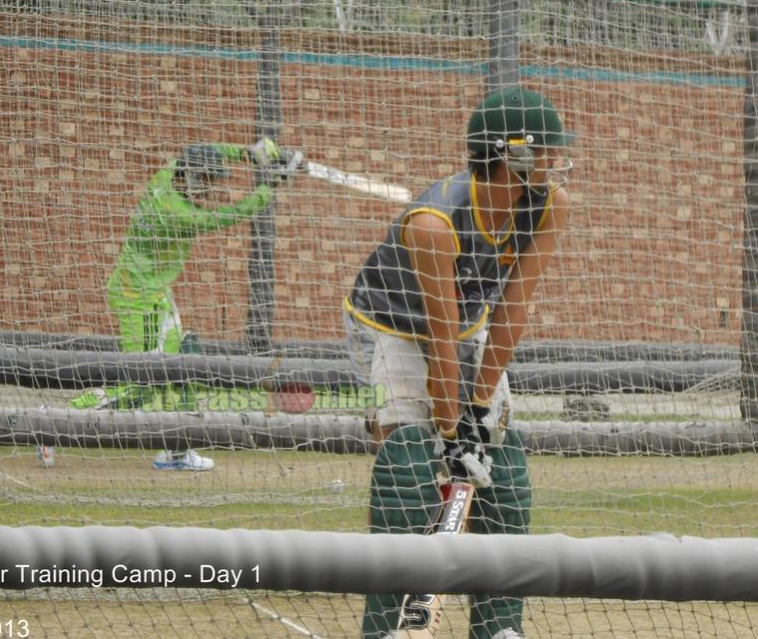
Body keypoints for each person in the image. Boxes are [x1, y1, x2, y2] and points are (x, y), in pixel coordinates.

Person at [344, 87, 574, 638]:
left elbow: (512, 312)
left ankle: (500, 626)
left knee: (503, 462)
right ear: (509, 154)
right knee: (409, 458)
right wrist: (450, 432)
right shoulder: (434, 222)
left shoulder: (548, 204)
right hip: (389, 327)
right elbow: (437, 337)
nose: (555, 161)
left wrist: (475, 411)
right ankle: (389, 625)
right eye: (545, 151)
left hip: (471, 326)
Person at [54, 138, 299, 471]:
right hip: (140, 298)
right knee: (139, 383)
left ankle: (177, 451)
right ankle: (52, 425)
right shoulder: (177, 213)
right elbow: (229, 216)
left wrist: (249, 153)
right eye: (208, 181)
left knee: (182, 361)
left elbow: (202, 150)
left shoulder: (168, 173)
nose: (212, 189)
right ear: (194, 178)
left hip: (154, 292)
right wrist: (271, 184)